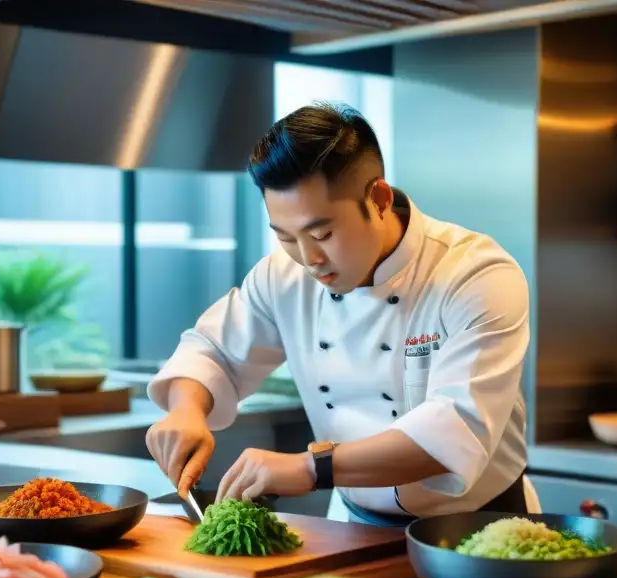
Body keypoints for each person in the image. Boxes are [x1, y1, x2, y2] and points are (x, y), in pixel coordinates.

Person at [145, 102, 530, 526]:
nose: (309, 259)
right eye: (286, 237)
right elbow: (212, 350)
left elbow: (453, 431)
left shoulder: (476, 275)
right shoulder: (284, 274)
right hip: (352, 524)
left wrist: (310, 469)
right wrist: (186, 410)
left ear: (380, 199)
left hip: (479, 530)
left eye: (322, 234)